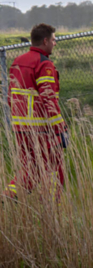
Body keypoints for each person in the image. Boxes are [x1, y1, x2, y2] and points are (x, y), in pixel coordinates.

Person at [6, 23, 66, 196]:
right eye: (54, 40)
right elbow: (49, 99)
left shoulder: (17, 61)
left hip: (19, 128)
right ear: (45, 40)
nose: (55, 43)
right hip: (40, 129)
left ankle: (11, 195)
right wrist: (60, 128)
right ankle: (52, 208)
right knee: (55, 169)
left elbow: (11, 95)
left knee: (29, 169)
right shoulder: (44, 64)